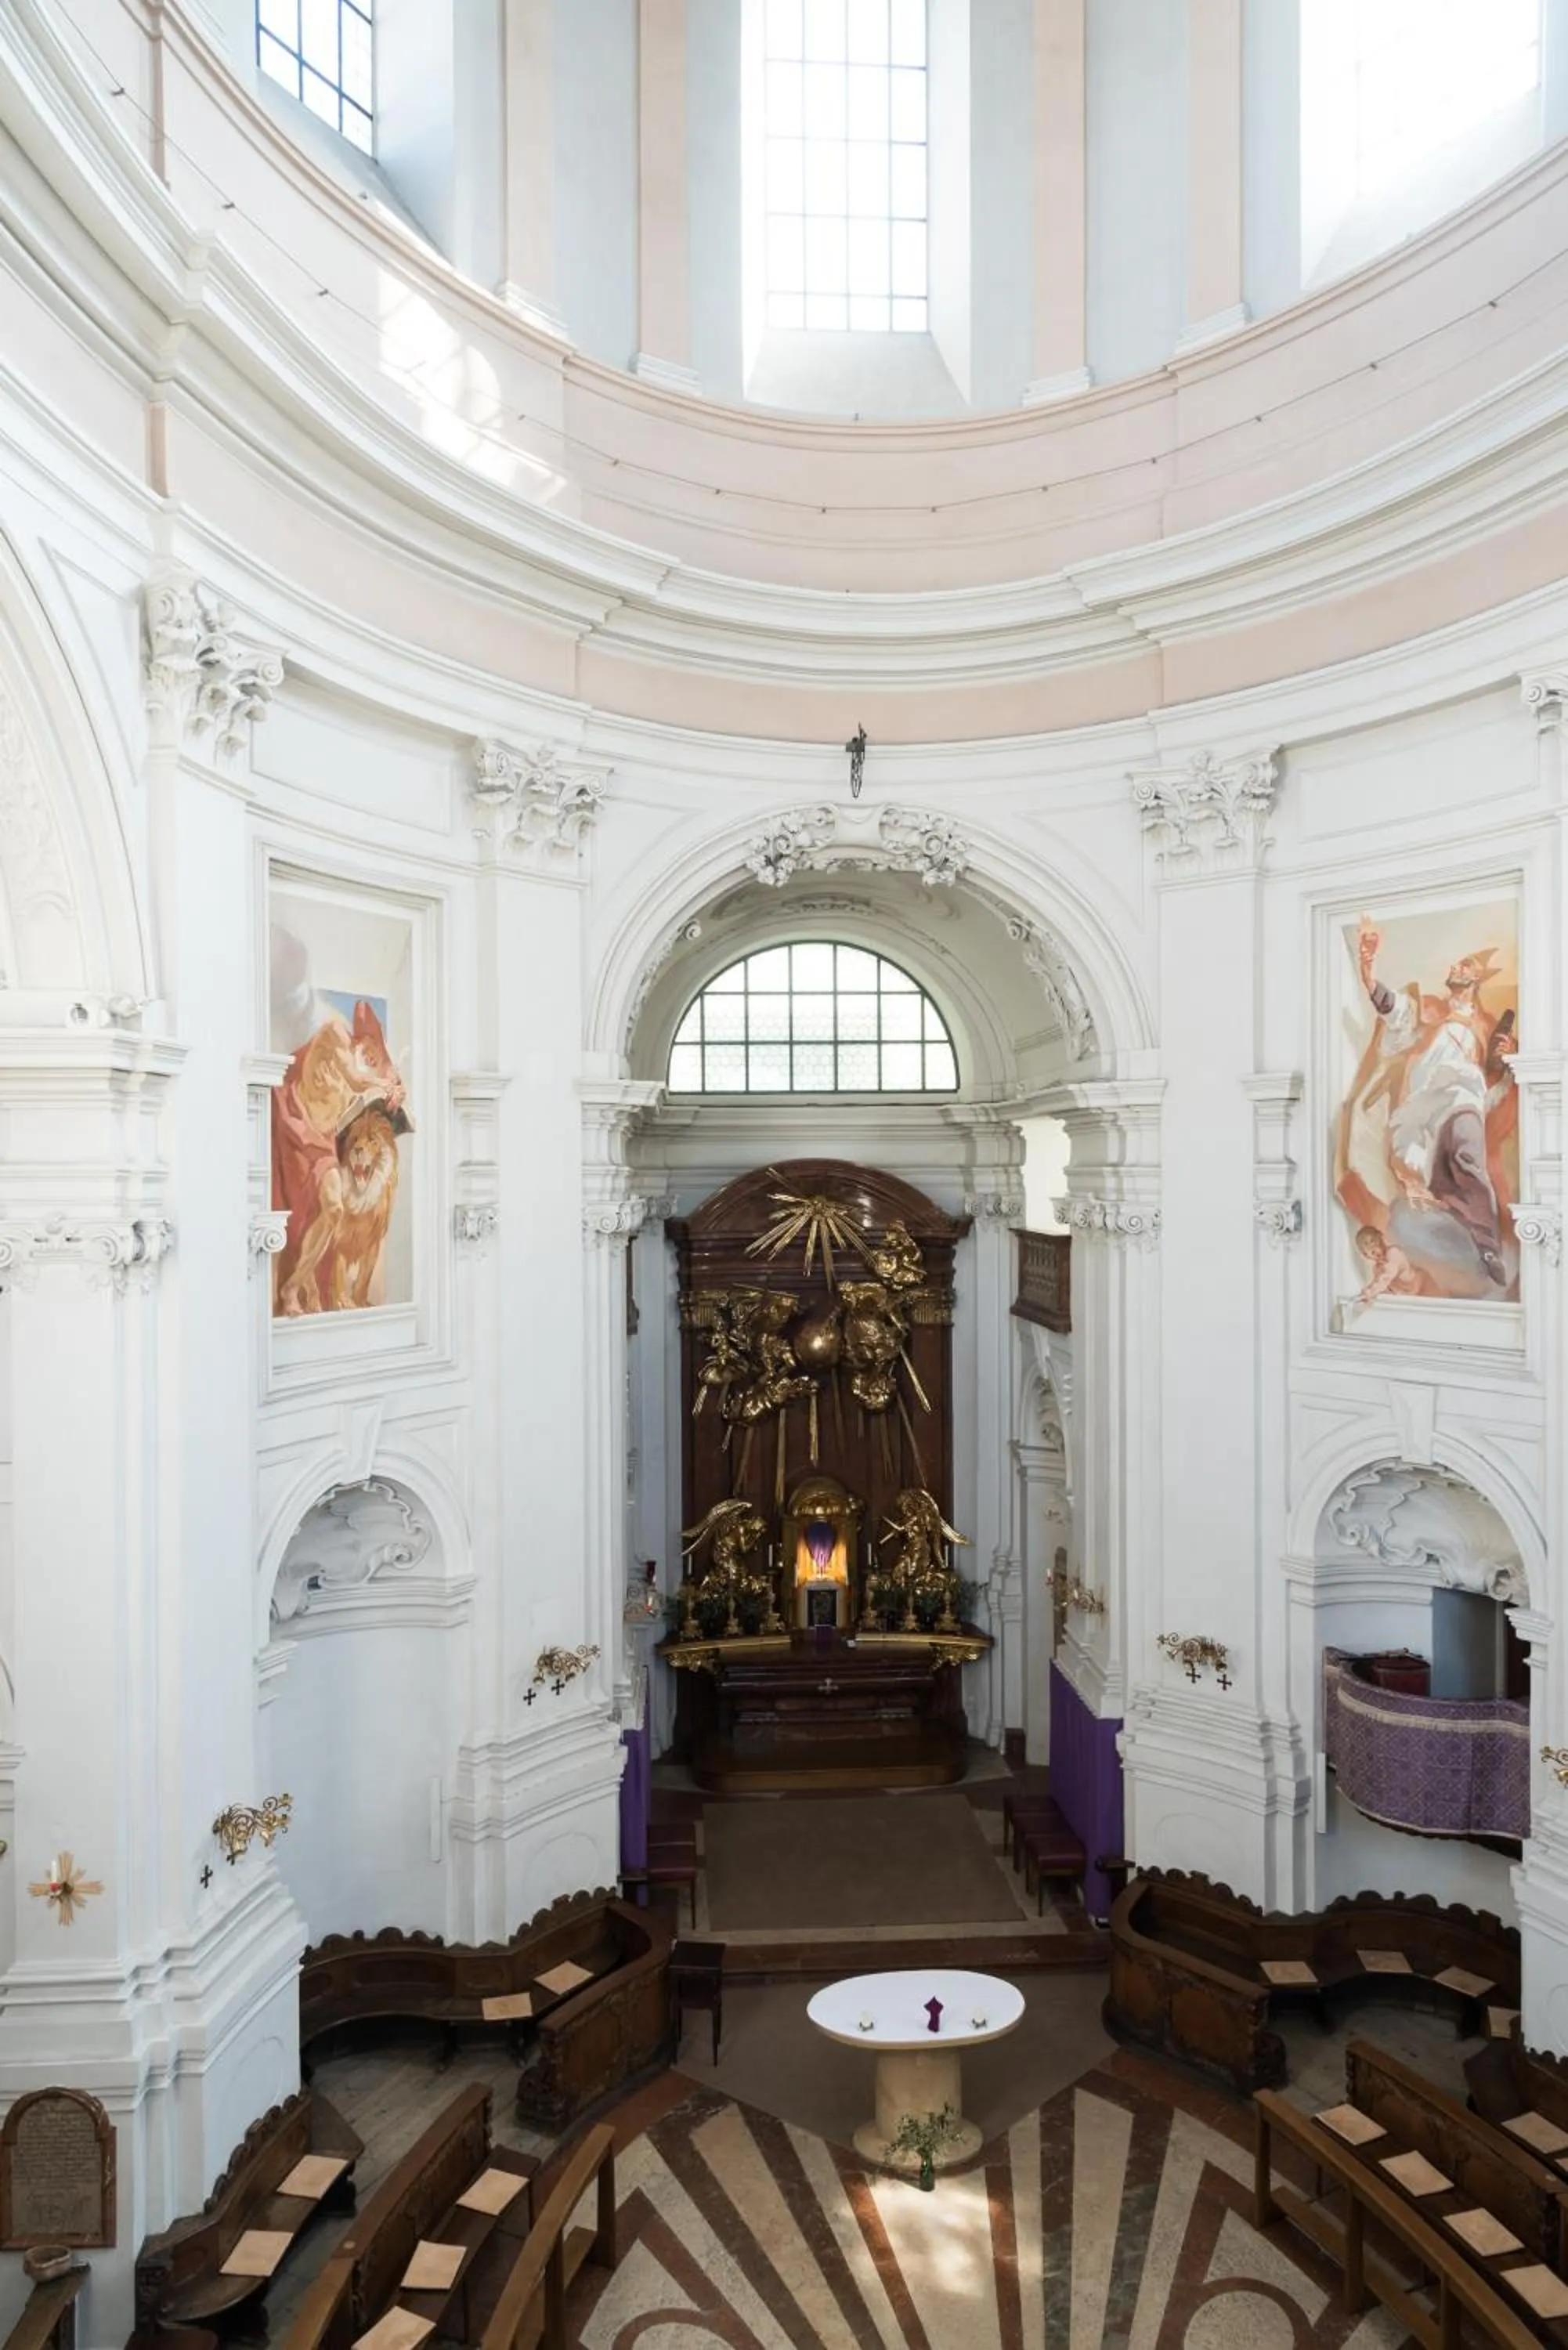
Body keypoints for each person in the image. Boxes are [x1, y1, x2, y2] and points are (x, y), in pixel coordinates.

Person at [1355, 921, 1516, 1289]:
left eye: (1466, 967)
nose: (1456, 969)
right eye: (1455, 965)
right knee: (1437, 1182)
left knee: (1468, 1159)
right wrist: (1368, 972)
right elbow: (1393, 1008)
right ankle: (1461, 1245)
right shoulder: (1430, 1013)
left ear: (1477, 980)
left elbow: (1497, 1069)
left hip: (1463, 1099)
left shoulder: (1485, 1027)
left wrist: (1507, 1057)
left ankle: (1488, 1248)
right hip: (1424, 1109)